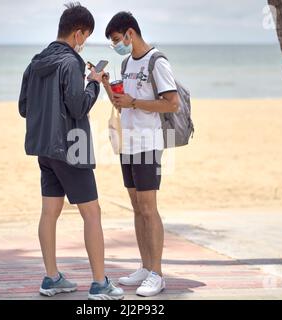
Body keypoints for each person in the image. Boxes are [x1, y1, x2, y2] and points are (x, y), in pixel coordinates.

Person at [18, 2, 123, 300]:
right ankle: (100, 283)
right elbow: (78, 106)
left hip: (44, 148)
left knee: (49, 212)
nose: (85, 43)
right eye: (86, 37)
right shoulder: (72, 63)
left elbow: (24, 108)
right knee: (92, 213)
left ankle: (51, 278)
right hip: (72, 146)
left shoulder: (35, 61)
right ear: (78, 33)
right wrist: (94, 84)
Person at [103, 11, 179, 297]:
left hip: (148, 143)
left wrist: (135, 101)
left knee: (149, 208)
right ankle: (146, 267)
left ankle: (158, 274)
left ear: (130, 33)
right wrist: (107, 85)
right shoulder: (126, 62)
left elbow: (172, 104)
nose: (116, 46)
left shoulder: (157, 61)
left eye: (117, 40)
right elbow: (122, 105)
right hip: (128, 143)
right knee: (136, 208)